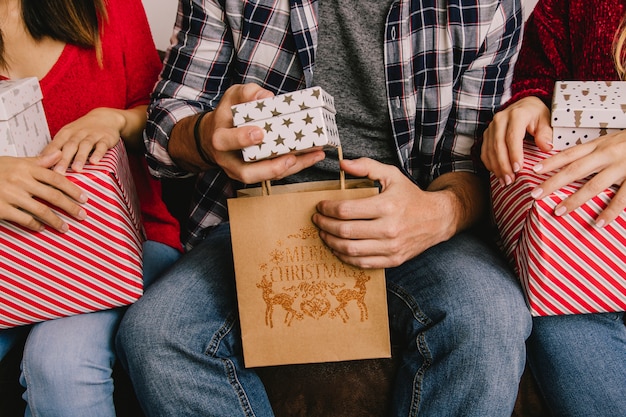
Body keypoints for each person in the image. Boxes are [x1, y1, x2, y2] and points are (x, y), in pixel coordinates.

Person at [116, 1, 532, 416]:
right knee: (158, 335)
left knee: (487, 317)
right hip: (255, 216)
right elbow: (167, 121)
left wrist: (439, 213)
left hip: (414, 211)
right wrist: (206, 136)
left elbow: (471, 164)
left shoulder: (484, 7)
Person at [0, 0, 182, 415]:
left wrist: (115, 120)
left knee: (61, 361)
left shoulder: (109, 7)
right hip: (10, 259)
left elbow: (165, 119)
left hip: (124, 244)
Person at [481, 0, 626, 416]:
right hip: (586, 251)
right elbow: (538, 78)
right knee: (559, 319)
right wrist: (530, 105)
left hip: (588, 243)